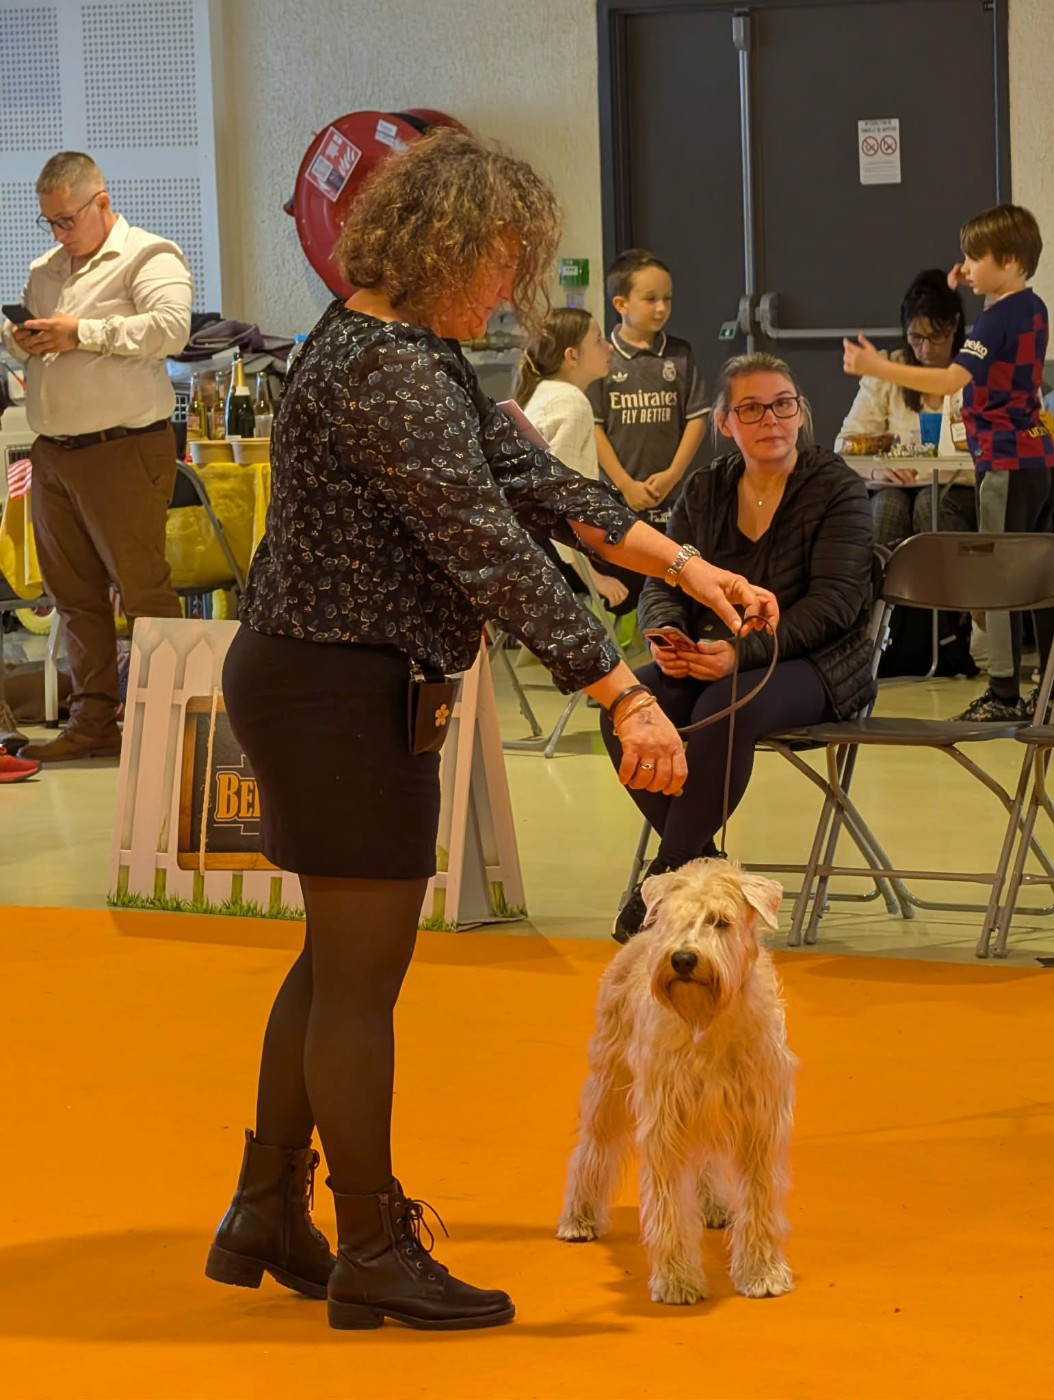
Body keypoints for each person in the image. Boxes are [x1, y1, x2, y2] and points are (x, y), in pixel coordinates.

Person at [205, 128, 778, 1333]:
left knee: (333, 966)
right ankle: (369, 1239)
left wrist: (688, 561)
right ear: (444, 245)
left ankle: (267, 1208)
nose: (511, 291)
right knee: (360, 979)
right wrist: (620, 692)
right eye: (502, 264)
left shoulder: (394, 351)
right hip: (337, 689)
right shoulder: (390, 370)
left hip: (336, 680)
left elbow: (540, 491)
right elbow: (487, 550)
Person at [603, 352, 874, 944]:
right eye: (750, 409)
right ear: (725, 423)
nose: (769, 419)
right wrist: (666, 636)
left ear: (800, 412)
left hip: (819, 665)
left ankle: (669, 877)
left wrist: (736, 654)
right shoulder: (704, 489)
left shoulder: (838, 489)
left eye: (782, 404)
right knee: (629, 705)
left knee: (725, 706)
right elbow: (663, 578)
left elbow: (835, 608)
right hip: (712, 659)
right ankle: (705, 869)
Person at [1, 151, 192, 762]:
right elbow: (44, 351)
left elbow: (170, 329)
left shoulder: (149, 256)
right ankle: (92, 722)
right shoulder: (46, 269)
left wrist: (80, 331)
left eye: (67, 220)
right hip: (54, 451)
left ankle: (178, 718)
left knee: (142, 590)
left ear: (102, 203)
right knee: (72, 594)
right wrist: (21, 341)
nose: (59, 233)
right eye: (49, 222)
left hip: (123, 448)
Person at [844, 203, 1054, 721]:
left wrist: (876, 365)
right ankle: (1050, 691)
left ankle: (1004, 693)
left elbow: (947, 381)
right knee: (1044, 574)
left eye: (972, 258)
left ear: (1005, 261)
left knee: (998, 579)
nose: (964, 267)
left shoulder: (993, 320)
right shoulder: (1033, 306)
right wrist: (969, 278)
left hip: (1002, 461)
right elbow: (996, 306)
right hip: (1037, 457)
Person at [837, 269, 978, 545]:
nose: (925, 350)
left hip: (959, 485)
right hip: (895, 485)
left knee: (931, 504)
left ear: (955, 325)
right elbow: (845, 445)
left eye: (936, 336)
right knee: (887, 507)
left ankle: (946, 588)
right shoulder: (889, 369)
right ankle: (879, 588)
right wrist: (878, 471)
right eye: (916, 338)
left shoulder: (972, 369)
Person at [511, 306, 630, 613]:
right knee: (650, 571)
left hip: (527, 552)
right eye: (599, 340)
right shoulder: (571, 402)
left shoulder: (542, 393)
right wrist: (594, 578)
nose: (608, 347)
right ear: (572, 356)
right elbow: (559, 502)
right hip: (551, 557)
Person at [587, 248, 708, 535]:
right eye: (650, 299)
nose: (661, 308)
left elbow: (697, 417)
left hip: (672, 497)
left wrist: (673, 475)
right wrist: (625, 484)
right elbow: (594, 426)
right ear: (621, 303)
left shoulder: (680, 354)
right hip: (617, 495)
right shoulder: (602, 355)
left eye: (667, 298)